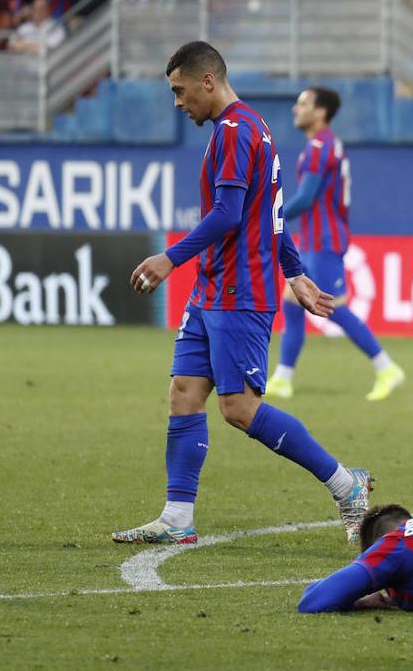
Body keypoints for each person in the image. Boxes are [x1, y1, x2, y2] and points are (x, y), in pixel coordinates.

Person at [112, 42, 373, 547]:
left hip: (239, 291)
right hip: (212, 288)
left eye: (180, 90)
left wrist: (170, 257)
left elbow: (231, 214)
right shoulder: (247, 128)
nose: (177, 102)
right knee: (184, 394)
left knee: (239, 409)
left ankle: (347, 484)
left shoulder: (235, 131)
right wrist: (294, 270)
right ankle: (177, 517)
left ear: (207, 81)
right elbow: (268, 212)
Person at [267, 87, 405, 402]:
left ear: (320, 112)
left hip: (323, 240)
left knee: (333, 308)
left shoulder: (318, 147)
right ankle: (283, 377)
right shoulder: (326, 145)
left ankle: (386, 367)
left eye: (302, 104)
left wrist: (269, 216)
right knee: (291, 300)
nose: (295, 109)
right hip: (316, 238)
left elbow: (305, 198)